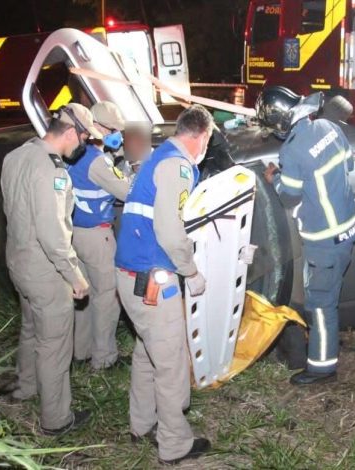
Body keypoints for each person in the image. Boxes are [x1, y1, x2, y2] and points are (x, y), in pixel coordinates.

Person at [115, 104, 212, 465]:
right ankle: (174, 444)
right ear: (201, 135)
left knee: (146, 352)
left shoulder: (157, 159)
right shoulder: (179, 166)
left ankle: (141, 424)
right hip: (154, 279)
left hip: (129, 276)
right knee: (171, 363)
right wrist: (191, 272)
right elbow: (170, 231)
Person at [0, 103, 99, 435]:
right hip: (45, 269)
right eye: (83, 139)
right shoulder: (52, 171)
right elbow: (53, 232)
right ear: (71, 132)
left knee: (30, 327)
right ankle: (56, 419)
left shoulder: (16, 156)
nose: (82, 146)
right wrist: (75, 275)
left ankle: (26, 386)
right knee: (54, 344)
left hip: (17, 260)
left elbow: (11, 210)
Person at [263, 91, 355, 386]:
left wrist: (274, 178)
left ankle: (322, 368)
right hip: (348, 228)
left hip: (324, 240)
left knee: (319, 304)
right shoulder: (329, 127)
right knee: (329, 296)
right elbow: (350, 165)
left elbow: (289, 196)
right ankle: (328, 338)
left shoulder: (291, 151)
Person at [67, 101, 131, 370]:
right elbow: (127, 192)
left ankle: (81, 352)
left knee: (84, 295)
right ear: (100, 128)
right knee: (108, 294)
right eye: (115, 130)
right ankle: (104, 358)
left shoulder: (73, 155)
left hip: (73, 234)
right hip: (97, 236)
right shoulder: (98, 162)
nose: (119, 135)